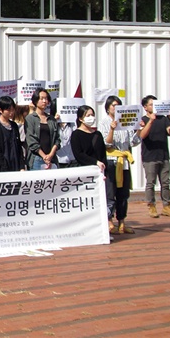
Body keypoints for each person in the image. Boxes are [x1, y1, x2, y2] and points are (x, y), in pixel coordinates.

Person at [99, 96, 142, 233]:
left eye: (117, 105)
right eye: (112, 105)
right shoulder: (104, 122)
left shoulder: (125, 121)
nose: (115, 108)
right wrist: (112, 129)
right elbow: (106, 144)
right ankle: (109, 220)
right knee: (110, 193)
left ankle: (122, 221)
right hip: (111, 161)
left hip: (124, 162)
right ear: (107, 108)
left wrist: (139, 129)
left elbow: (134, 142)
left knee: (123, 194)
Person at [70, 105, 115, 234]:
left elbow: (102, 154)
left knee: (104, 199)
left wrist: (103, 169)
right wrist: (94, 162)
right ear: (81, 118)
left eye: (92, 115)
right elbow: (79, 154)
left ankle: (105, 226)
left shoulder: (98, 134)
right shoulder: (76, 135)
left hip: (99, 173)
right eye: (88, 115)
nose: (91, 118)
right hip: (85, 173)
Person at [139, 95, 170, 218]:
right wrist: (151, 120)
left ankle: (166, 206)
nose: (153, 106)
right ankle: (151, 206)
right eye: (151, 104)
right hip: (149, 157)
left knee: (165, 182)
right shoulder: (142, 119)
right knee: (151, 183)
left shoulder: (163, 118)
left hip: (164, 155)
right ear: (145, 107)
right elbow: (142, 135)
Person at [25, 87, 60, 170]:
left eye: (46, 98)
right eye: (41, 98)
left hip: (52, 158)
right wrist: (44, 156)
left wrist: (51, 155)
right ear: (36, 100)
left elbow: (57, 139)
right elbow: (31, 140)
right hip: (37, 158)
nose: (44, 101)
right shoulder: (30, 118)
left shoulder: (51, 119)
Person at [0, 96, 25, 172]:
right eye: (8, 110)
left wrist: (21, 165)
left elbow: (18, 146)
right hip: (2, 168)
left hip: (15, 164)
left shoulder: (14, 125)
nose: (11, 112)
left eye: (13, 109)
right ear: (0, 110)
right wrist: (3, 166)